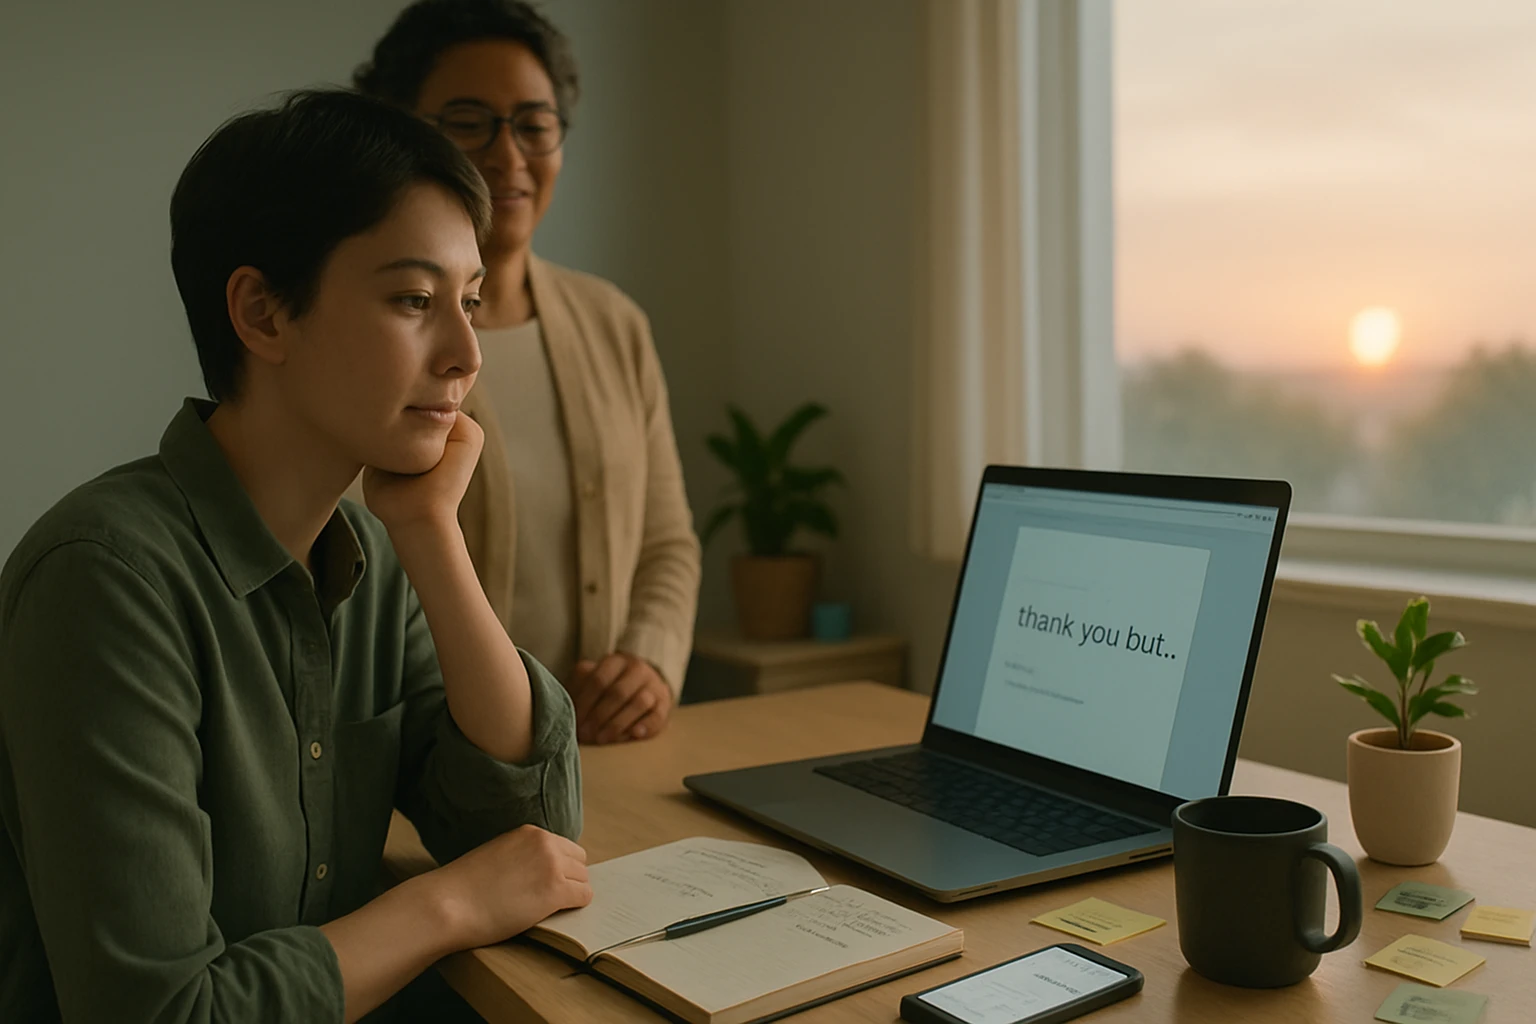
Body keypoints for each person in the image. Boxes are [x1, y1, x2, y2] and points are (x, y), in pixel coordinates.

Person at [0, 90, 591, 1022]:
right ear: (263, 314)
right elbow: (160, 1013)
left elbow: (536, 837)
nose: (465, 353)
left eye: (470, 302)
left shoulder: (374, 559)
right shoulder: (104, 581)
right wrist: (447, 905)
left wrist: (432, 536)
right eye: (414, 300)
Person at [355, 0, 702, 746]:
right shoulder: (363, 336)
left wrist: (649, 662)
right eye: (468, 121)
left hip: (605, 752)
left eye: (534, 125)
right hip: (438, 763)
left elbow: (667, 540)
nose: (508, 156)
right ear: (400, 131)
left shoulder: (614, 323)